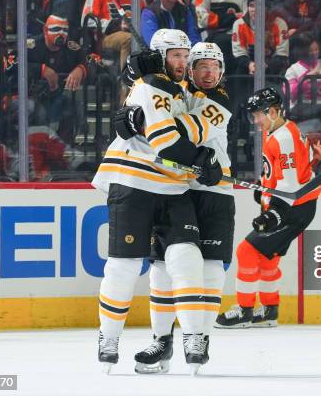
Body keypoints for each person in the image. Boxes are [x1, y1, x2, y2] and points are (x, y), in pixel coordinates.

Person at [91, 29, 222, 374]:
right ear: (161, 57)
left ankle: (192, 337)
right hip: (133, 182)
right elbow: (166, 143)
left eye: (185, 55)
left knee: (185, 257)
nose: (182, 62)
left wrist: (201, 162)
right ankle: (108, 338)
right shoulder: (157, 85)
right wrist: (200, 160)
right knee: (124, 265)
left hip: (172, 187)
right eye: (175, 55)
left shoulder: (181, 90)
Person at [215, 87, 321, 329]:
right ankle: (269, 310)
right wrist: (264, 186)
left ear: (274, 111)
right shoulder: (279, 129)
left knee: (246, 251)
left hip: (293, 207)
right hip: (296, 205)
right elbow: (282, 173)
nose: (255, 121)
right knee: (268, 258)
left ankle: (244, 311)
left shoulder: (283, 138)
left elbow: (290, 184)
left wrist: (274, 213)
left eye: (258, 115)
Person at [27, 14, 88, 142]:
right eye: (55, 29)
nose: (61, 34)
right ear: (45, 30)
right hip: (34, 96)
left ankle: (65, 148)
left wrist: (81, 69)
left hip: (60, 96)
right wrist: (41, 69)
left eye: (65, 30)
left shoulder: (72, 47)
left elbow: (92, 62)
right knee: (39, 113)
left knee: (71, 109)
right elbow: (12, 63)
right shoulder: (31, 45)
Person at [81, 0, 146, 70]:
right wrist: (116, 25)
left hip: (134, 33)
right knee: (130, 39)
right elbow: (88, 21)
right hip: (105, 36)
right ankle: (126, 80)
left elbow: (146, 18)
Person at [231, 0, 289, 75]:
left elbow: (282, 54)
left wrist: (266, 66)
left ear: (267, 8)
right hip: (248, 65)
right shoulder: (239, 24)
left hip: (272, 65)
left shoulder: (280, 24)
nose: (255, 10)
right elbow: (239, 53)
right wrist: (250, 64)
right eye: (251, 6)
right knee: (240, 70)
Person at [194, 0, 248, 73]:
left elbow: (248, 19)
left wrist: (215, 18)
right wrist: (233, 17)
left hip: (235, 37)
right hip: (208, 37)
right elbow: (202, 20)